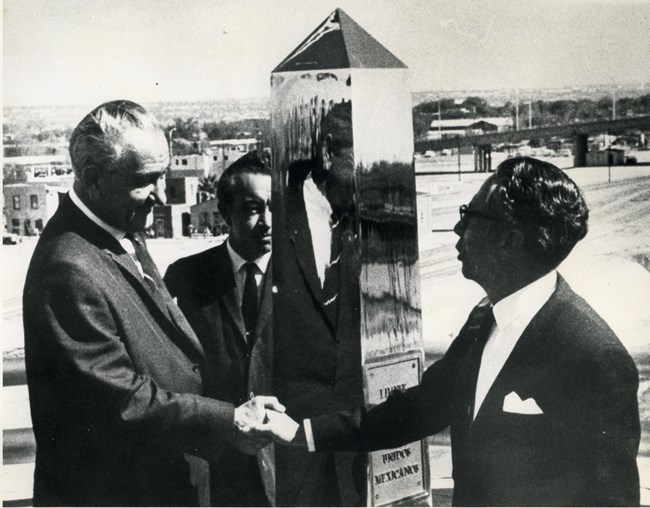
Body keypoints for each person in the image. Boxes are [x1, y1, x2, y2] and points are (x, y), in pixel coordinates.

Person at [270, 156, 641, 506]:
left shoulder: (592, 356)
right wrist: (300, 432)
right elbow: (419, 409)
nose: (457, 228)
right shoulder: (483, 321)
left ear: (509, 241)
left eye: (470, 215)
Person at [23, 100, 282, 507]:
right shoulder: (68, 267)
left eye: (162, 177)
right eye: (146, 180)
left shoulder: (120, 228)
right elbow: (120, 400)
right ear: (93, 179)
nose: (160, 195)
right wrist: (229, 419)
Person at [163, 151, 275, 506]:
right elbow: (172, 372)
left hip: (288, 460)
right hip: (219, 465)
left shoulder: (305, 279)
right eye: (253, 208)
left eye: (274, 206)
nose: (268, 221)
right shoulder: (187, 276)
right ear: (226, 214)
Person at [273, 99, 366, 506]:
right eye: (365, 163)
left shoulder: (363, 221)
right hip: (287, 448)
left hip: (349, 447)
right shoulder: (274, 214)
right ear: (327, 152)